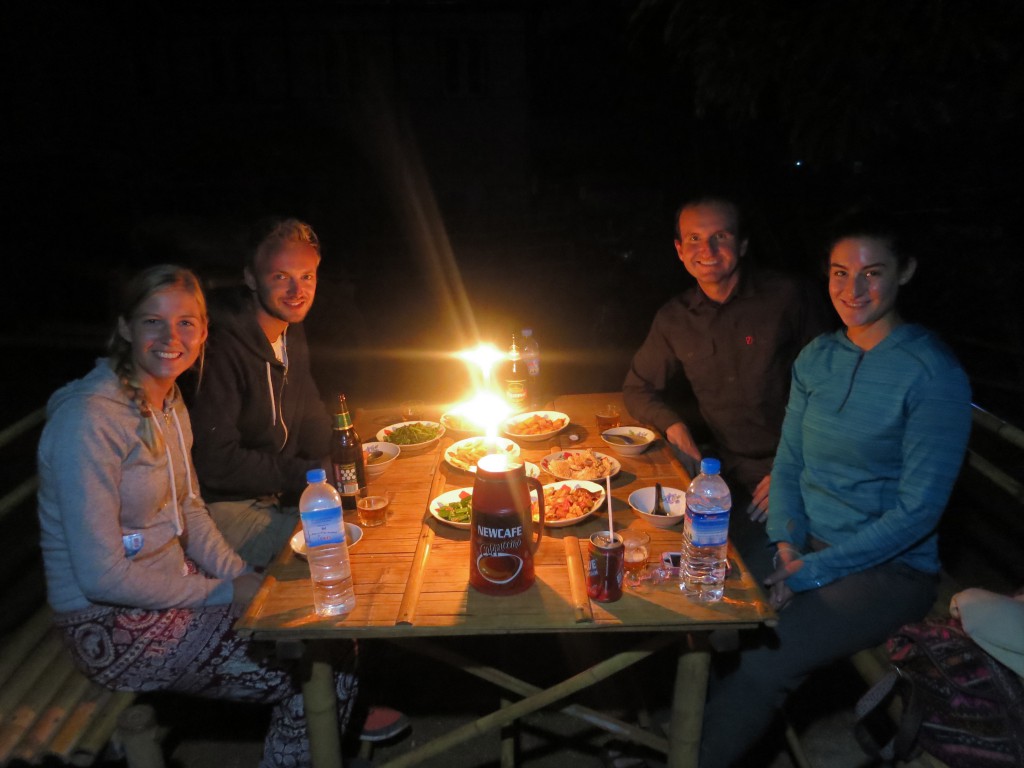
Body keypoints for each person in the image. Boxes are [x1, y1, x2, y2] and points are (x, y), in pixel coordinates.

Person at [36, 265, 358, 768]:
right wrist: (225, 592)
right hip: (109, 626)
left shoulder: (167, 400)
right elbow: (101, 576)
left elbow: (190, 510)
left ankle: (309, 752)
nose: (172, 338)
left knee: (326, 627)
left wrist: (240, 576)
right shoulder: (90, 420)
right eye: (153, 323)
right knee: (318, 664)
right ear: (125, 328)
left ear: (205, 331)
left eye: (187, 323)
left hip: (168, 590)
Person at [698, 213, 973, 767]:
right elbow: (792, 462)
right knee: (703, 592)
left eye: (872, 273)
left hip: (888, 568)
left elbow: (918, 512)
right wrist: (786, 546)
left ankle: (693, 756)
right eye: (840, 273)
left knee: (763, 661)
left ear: (905, 273)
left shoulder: (932, 373)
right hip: (803, 539)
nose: (854, 290)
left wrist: (815, 572)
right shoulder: (819, 356)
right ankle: (699, 730)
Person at [623, 195, 832, 571]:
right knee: (663, 544)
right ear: (679, 249)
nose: (708, 249)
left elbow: (831, 391)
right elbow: (638, 388)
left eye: (720, 236)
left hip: (803, 467)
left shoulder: (788, 296)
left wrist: (794, 467)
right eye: (694, 239)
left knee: (762, 567)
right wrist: (675, 426)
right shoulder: (675, 318)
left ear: (743, 244)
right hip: (728, 471)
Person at [186, 218, 332, 569]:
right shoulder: (221, 347)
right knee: (333, 547)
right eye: (281, 277)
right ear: (251, 278)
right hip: (226, 509)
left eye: (307, 276)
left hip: (279, 494)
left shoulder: (289, 331)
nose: (297, 290)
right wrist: (311, 472)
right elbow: (217, 463)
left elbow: (310, 414)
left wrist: (343, 460)